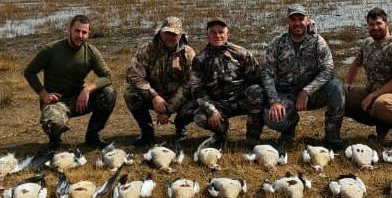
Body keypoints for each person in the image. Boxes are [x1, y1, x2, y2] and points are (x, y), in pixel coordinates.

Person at [23, 13, 117, 149]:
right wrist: (44, 95)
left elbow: (107, 76)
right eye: (77, 31)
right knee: (54, 123)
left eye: (84, 32)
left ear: (88, 34)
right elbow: (29, 72)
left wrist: (87, 89)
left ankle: (93, 136)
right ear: (69, 30)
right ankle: (55, 140)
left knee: (109, 93)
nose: (80, 35)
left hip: (79, 100)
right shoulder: (50, 50)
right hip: (56, 101)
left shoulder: (90, 52)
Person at [261, 5, 345, 150]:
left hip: (312, 95)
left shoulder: (318, 42)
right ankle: (289, 129)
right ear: (288, 22)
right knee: (273, 119)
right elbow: (267, 73)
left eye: (301, 19)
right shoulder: (277, 43)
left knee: (336, 87)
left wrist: (307, 91)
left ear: (307, 20)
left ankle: (332, 136)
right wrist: (274, 101)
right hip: (286, 96)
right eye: (293, 19)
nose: (297, 23)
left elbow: (328, 70)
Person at [343, 6, 392, 144]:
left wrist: (372, 96)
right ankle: (379, 124)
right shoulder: (367, 43)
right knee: (338, 94)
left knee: (382, 104)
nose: (375, 27)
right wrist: (347, 83)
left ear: (387, 24)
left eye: (378, 23)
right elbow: (355, 64)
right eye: (371, 24)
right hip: (373, 92)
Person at [190, 16, 264, 148]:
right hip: (218, 104)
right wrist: (212, 110)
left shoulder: (241, 54)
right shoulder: (199, 59)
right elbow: (198, 90)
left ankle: (253, 137)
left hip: (241, 100)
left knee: (256, 91)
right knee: (200, 117)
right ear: (207, 36)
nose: (217, 35)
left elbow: (257, 78)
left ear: (227, 35)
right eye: (213, 32)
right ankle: (221, 135)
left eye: (221, 32)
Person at [124, 16, 197, 145]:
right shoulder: (147, 49)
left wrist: (169, 109)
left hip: (178, 97)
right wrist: (153, 96)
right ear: (160, 32)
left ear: (180, 35)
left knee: (197, 98)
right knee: (131, 94)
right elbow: (133, 76)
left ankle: (180, 125)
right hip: (154, 96)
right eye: (167, 33)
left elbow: (189, 84)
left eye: (174, 34)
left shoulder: (188, 54)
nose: (170, 36)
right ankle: (147, 131)